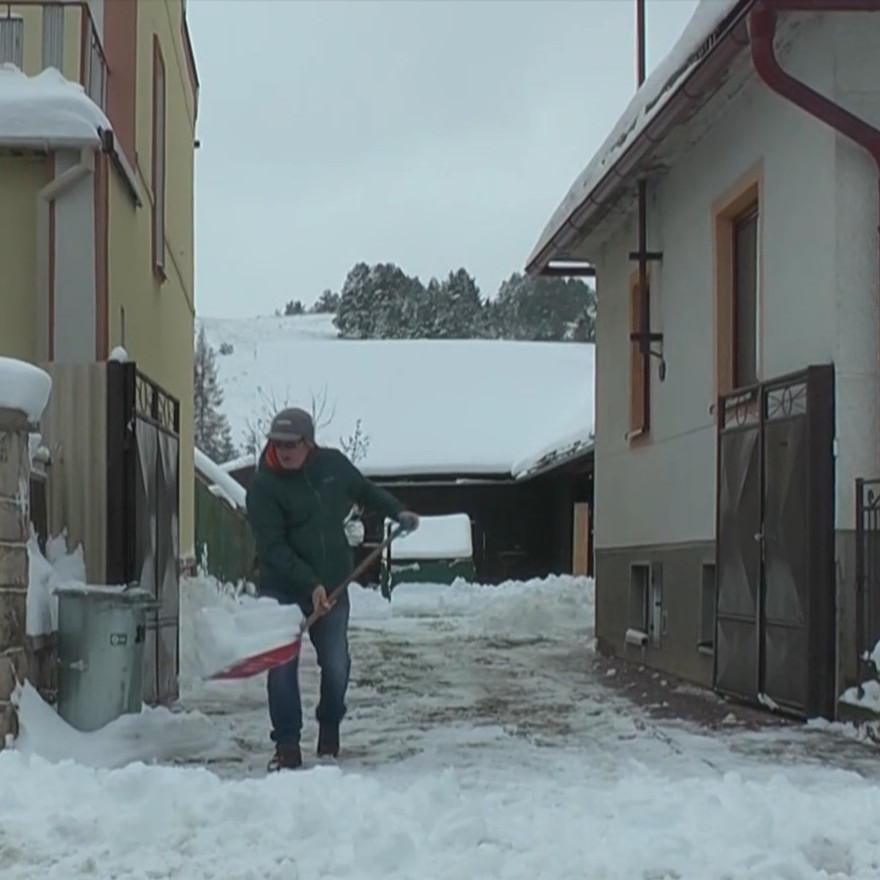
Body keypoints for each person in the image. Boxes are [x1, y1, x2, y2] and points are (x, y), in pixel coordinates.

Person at [245, 406, 419, 771]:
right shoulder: (263, 487)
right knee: (281, 666)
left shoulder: (334, 466)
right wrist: (310, 586)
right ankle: (288, 745)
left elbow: (365, 491)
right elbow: (272, 548)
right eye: (277, 443)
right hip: (282, 587)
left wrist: (397, 511)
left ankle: (329, 723)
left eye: (292, 444)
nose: (284, 450)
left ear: (310, 443)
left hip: (334, 583)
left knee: (336, 663)